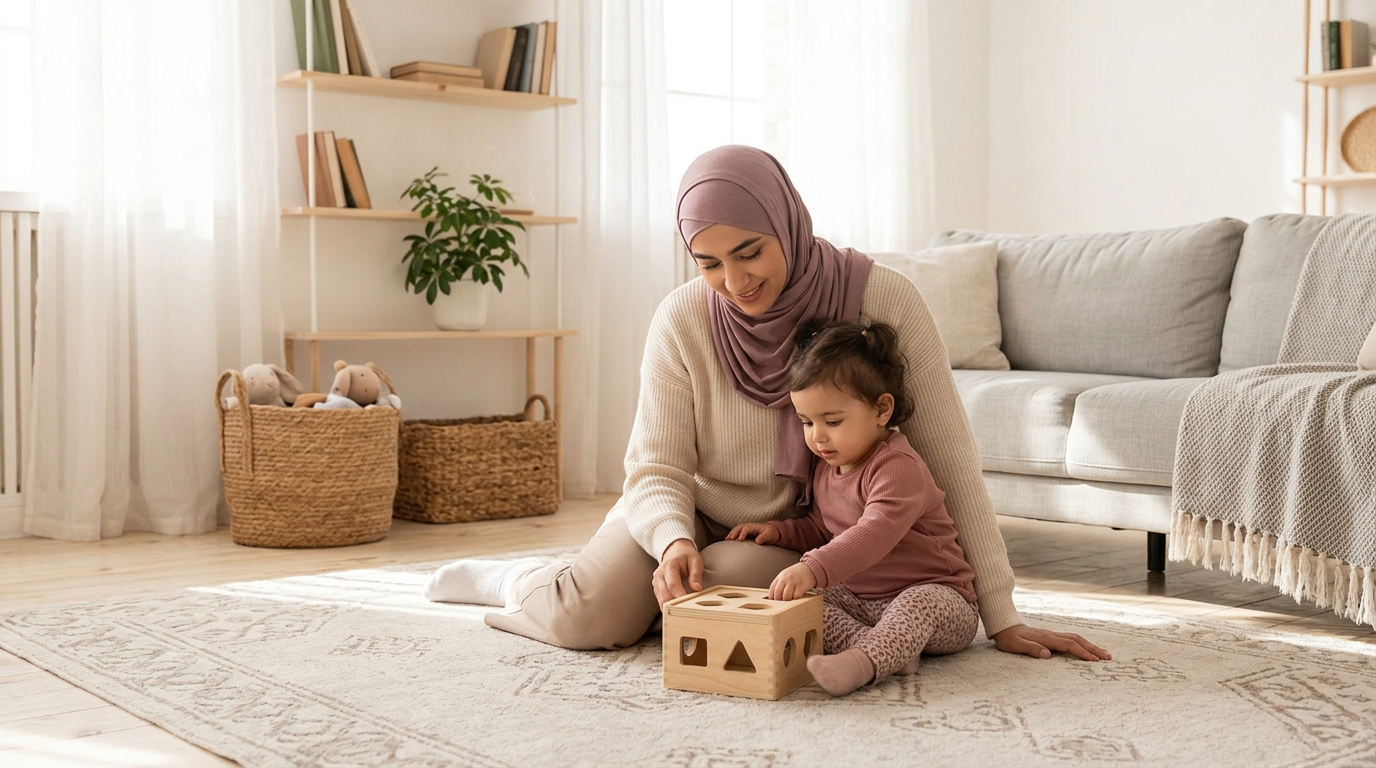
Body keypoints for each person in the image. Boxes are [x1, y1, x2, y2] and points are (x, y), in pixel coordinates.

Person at [424, 144, 1109, 664]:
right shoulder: (682, 319)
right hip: (684, 512)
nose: (735, 281)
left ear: (786, 219)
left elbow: (949, 461)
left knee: (731, 588)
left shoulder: (884, 299)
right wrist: (674, 540)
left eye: (749, 251)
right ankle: (524, 582)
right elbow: (656, 468)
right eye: (708, 262)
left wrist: (1002, 613)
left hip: (789, 536)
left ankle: (641, 599)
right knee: (589, 617)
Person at [726, 319, 979, 696]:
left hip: (942, 601)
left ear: (882, 410)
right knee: (805, 605)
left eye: (832, 421)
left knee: (917, 602)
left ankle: (863, 664)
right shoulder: (827, 467)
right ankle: (889, 649)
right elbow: (823, 527)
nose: (817, 436)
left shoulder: (897, 467)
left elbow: (873, 534)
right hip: (865, 604)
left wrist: (811, 567)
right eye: (806, 422)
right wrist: (780, 531)